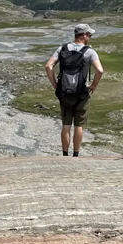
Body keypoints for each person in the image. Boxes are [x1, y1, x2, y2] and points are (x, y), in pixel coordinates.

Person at [45, 23, 104, 156]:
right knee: (79, 125)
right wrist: (93, 86)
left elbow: (48, 66)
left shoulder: (62, 48)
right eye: (89, 34)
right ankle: (76, 155)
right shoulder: (90, 52)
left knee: (66, 125)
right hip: (82, 94)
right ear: (83, 35)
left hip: (64, 93)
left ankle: (65, 154)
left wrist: (56, 86)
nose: (90, 37)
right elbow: (100, 70)